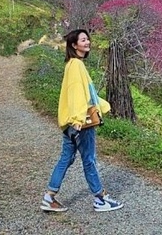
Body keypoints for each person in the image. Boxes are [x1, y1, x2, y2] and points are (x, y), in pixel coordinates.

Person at [40, 29, 123, 213]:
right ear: (74, 45)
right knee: (89, 159)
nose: (87, 43)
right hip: (81, 123)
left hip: (70, 122)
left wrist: (104, 106)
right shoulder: (76, 65)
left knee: (66, 159)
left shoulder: (71, 64)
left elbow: (85, 93)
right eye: (83, 40)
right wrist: (78, 120)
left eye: (88, 39)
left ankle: (49, 197)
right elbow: (79, 94)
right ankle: (100, 199)